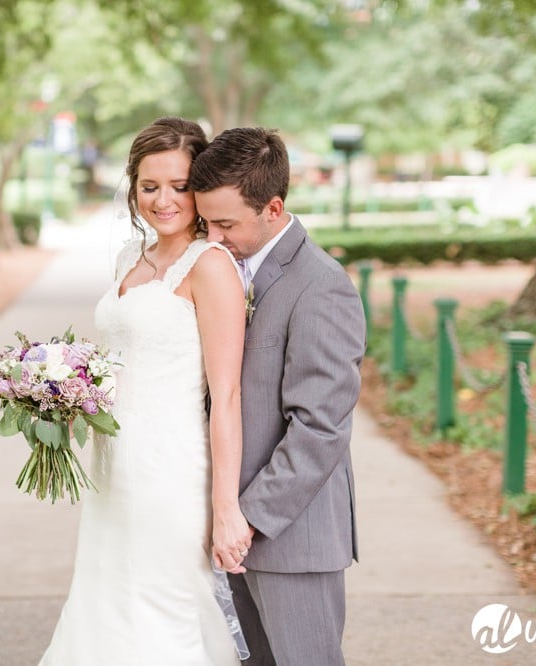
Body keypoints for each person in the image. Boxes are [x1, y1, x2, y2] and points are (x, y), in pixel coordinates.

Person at [39, 117, 252, 665]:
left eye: (180, 186)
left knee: (165, 607)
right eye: (149, 187)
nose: (164, 201)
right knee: (105, 601)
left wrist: (226, 507)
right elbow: (118, 362)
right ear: (132, 189)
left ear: (199, 188)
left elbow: (226, 395)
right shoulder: (127, 259)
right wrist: (61, 400)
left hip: (172, 471)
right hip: (112, 466)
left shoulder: (211, 267)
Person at [189, 127, 366, 666]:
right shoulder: (220, 269)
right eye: (206, 223)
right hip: (227, 529)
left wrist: (248, 518)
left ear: (273, 207)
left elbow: (320, 427)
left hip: (290, 537)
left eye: (225, 223)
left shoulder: (321, 286)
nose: (213, 237)